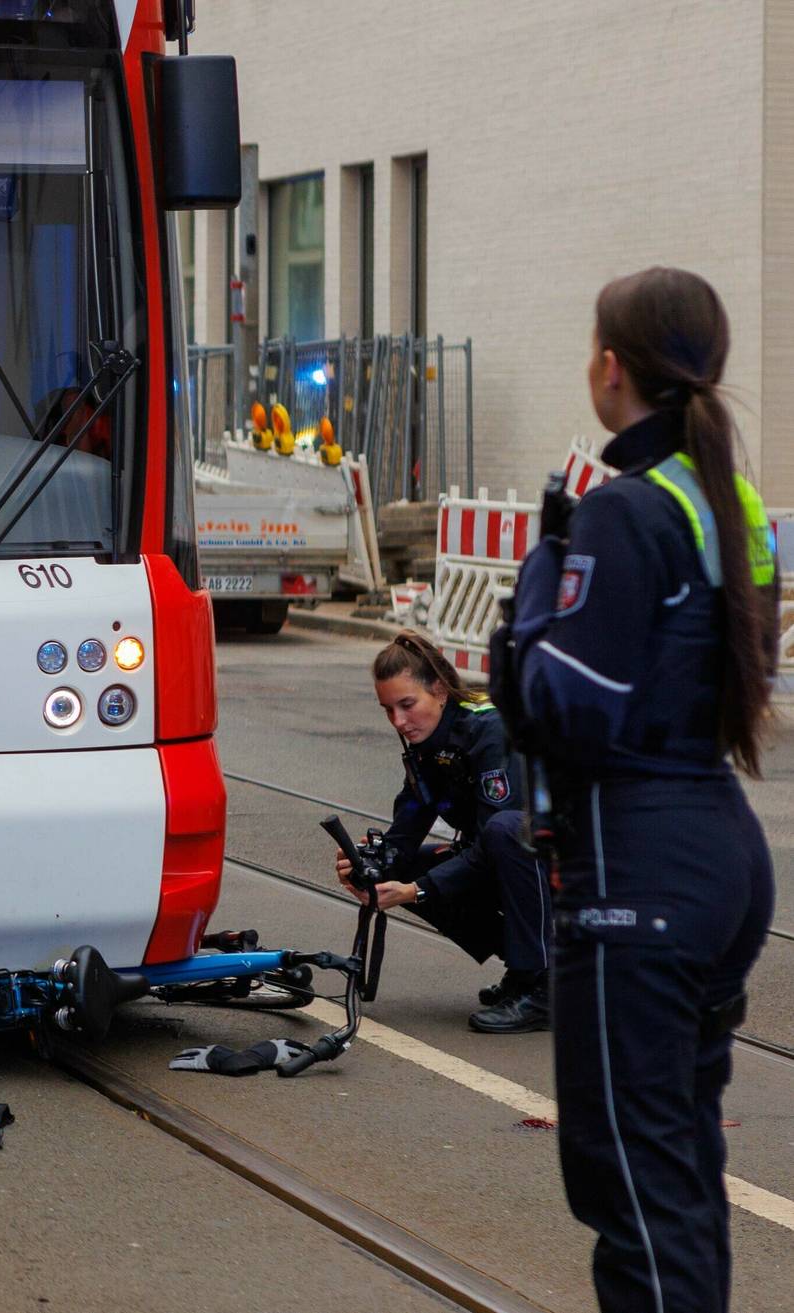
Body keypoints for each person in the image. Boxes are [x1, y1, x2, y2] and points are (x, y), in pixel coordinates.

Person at [502, 267, 776, 1312]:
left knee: (627, 1179)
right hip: (716, 848)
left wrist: (530, 603)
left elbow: (566, 705)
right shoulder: (726, 499)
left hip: (636, 864)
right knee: (675, 1173)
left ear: (609, 367)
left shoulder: (623, 512)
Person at [331, 631, 552, 1032]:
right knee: (401, 869)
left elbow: (495, 842)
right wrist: (371, 864)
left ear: (440, 691)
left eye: (407, 705)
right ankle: (523, 969)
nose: (399, 721)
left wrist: (416, 890)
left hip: (566, 865)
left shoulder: (491, 728)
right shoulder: (426, 740)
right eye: (388, 709)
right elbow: (412, 815)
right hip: (510, 858)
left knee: (505, 830)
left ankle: (543, 982)